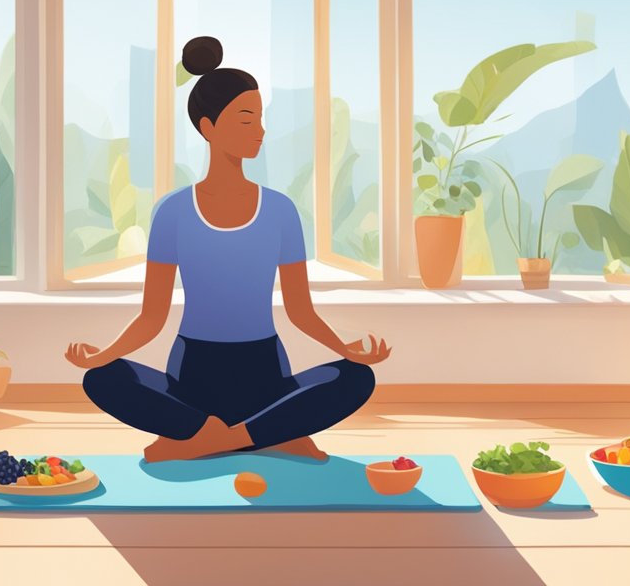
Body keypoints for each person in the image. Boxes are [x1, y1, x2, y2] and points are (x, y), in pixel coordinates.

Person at [65, 36, 391, 463]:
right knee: (101, 379)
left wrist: (347, 350)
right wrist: (102, 355)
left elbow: (300, 310)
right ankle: (267, 433)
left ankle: (214, 439)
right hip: (193, 379)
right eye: (245, 119)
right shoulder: (174, 212)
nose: (260, 131)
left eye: (260, 119)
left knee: (356, 378)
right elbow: (151, 316)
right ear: (208, 127)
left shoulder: (280, 211)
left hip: (266, 374)